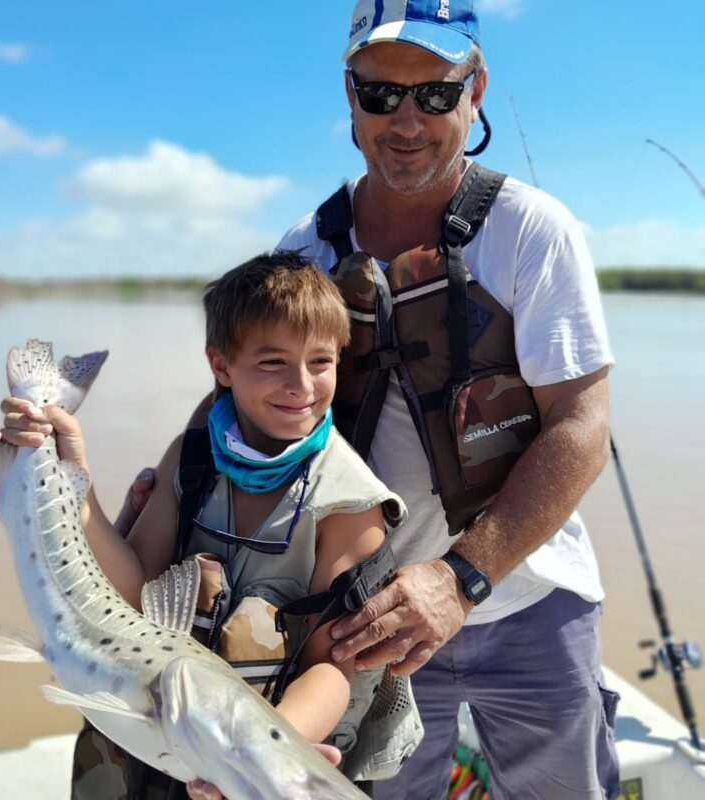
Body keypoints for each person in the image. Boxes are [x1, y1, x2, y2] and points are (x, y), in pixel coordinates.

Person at [271, 2, 621, 798]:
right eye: (380, 94)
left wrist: (460, 579)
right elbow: (256, 425)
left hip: (532, 601)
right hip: (368, 622)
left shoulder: (533, 231)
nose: (406, 121)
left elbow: (581, 427)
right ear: (348, 94)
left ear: (476, 90)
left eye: (434, 94)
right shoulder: (304, 250)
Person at [0, 252, 420, 800]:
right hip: (153, 731)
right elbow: (134, 590)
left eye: (320, 362)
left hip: (240, 754)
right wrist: (78, 481)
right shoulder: (191, 458)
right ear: (221, 366)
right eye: (271, 363)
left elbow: (335, 668)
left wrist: (266, 754)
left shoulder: (352, 506)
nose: (301, 385)